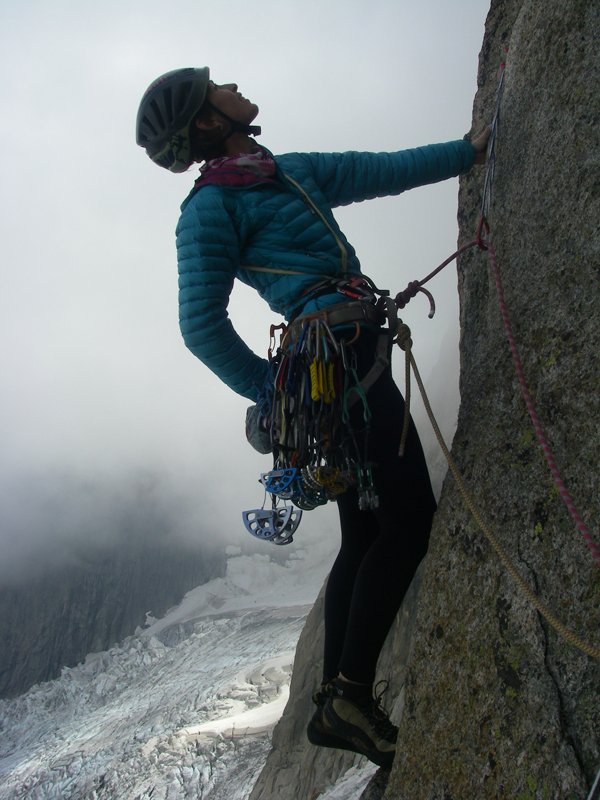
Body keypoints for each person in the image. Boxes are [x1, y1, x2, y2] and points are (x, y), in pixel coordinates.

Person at [136, 67, 489, 769]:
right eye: (216, 86)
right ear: (207, 121)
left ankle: (336, 697)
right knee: (408, 521)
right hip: (332, 364)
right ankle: (349, 693)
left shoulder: (286, 171)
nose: (232, 84)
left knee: (367, 532)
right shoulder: (208, 210)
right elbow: (200, 325)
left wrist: (467, 151)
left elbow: (378, 170)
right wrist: (275, 391)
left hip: (337, 362)